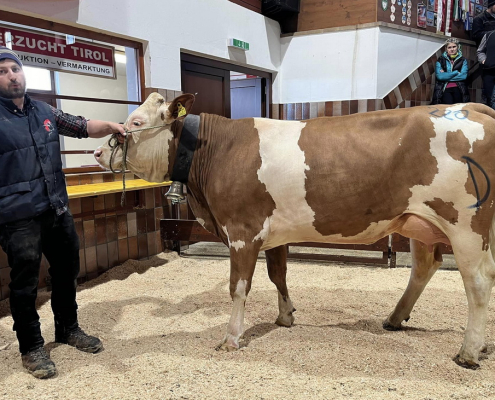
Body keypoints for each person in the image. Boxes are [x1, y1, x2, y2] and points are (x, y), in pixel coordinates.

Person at [0, 46, 125, 379]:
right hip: (17, 217)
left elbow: (82, 126)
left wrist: (113, 125)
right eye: (3, 71)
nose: (12, 75)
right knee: (25, 284)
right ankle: (31, 347)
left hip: (56, 210)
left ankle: (68, 328)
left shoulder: (44, 111)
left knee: (67, 270)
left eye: (15, 69)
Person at [431, 38, 470, 105]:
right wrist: (455, 72)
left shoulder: (463, 60)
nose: (452, 49)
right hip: (444, 89)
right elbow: (440, 76)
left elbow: (463, 76)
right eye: (449, 47)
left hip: (459, 89)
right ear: (446, 49)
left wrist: (446, 75)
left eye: (454, 47)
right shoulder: (440, 60)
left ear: (458, 47)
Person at [477, 28, 495, 109]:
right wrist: (484, 61)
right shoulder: (489, 35)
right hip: (489, 72)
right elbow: (480, 51)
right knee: (490, 98)